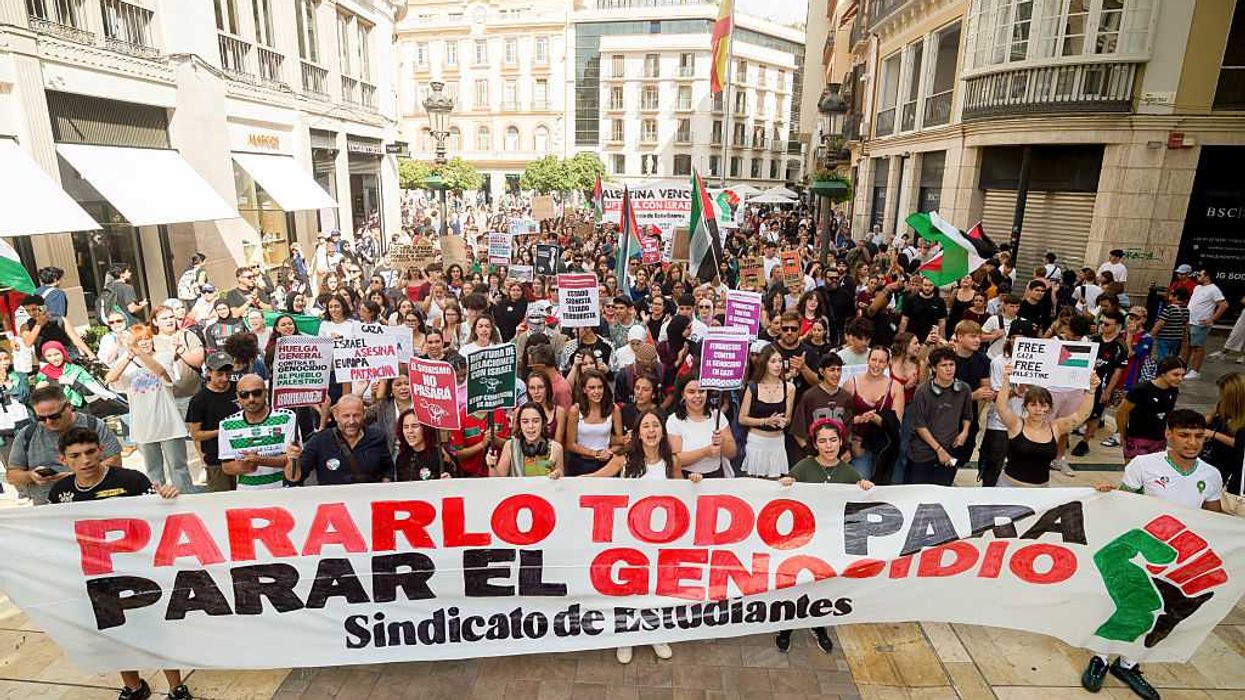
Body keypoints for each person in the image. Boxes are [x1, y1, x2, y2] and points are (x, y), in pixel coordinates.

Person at [1083, 410, 1222, 700]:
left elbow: (1215, 520)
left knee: (1166, 615)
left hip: (1180, 558)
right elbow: (1125, 501)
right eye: (1184, 434)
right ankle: (1100, 658)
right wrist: (1107, 494)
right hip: (1142, 553)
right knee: (1125, 608)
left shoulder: (1211, 475)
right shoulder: (1144, 464)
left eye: (1198, 436)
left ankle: (1130, 664)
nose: (1192, 442)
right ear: (1168, 434)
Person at [47, 426, 192, 700]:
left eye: (90, 452)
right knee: (116, 631)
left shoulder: (131, 480)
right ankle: (134, 687)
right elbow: (54, 532)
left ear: (101, 450)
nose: (85, 460)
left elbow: (159, 515)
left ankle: (176, 687)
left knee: (157, 631)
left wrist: (168, 498)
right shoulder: (60, 492)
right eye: (75, 455)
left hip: (139, 572)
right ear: (63, 459)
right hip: (96, 576)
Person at [570, 408, 697, 664]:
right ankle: (625, 635)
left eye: (655, 426)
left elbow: (683, 494)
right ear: (638, 433)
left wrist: (694, 481)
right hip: (628, 535)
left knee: (655, 585)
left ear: (662, 430)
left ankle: (654, 632)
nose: (651, 431)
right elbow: (595, 479)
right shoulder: (624, 460)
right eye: (646, 426)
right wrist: (561, 481)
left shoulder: (672, 461)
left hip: (661, 538)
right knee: (627, 585)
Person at [776, 418, 872, 652]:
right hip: (802, 539)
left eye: (832, 440)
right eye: (822, 441)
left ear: (841, 442)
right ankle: (786, 626)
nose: (828, 446)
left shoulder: (850, 474)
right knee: (796, 581)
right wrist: (785, 483)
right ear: (815, 444)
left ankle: (818, 625)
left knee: (823, 585)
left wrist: (866, 489)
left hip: (830, 542)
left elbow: (859, 504)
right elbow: (780, 496)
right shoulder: (804, 467)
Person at [103, 325, 194, 494]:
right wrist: (127, 356)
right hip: (143, 425)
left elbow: (161, 371)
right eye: (139, 340)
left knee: (178, 467)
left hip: (169, 423)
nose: (144, 343)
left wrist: (139, 353)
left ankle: (186, 500)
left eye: (147, 338)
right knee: (153, 471)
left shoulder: (164, 356)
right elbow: (110, 378)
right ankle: (158, 502)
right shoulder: (127, 363)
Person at [6, 384, 122, 505]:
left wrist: (77, 476)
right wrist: (31, 476)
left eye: (54, 416)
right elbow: (12, 476)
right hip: (48, 506)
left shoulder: (93, 426)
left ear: (69, 407)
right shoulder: (27, 434)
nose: (48, 422)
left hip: (93, 501)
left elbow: (115, 461)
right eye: (41, 418)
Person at [993, 364, 1098, 487]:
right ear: (1026, 406)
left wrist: (1091, 391)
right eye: (1033, 405)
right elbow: (1001, 408)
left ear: (1049, 408)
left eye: (1043, 405)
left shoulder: (1056, 427)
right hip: (1009, 487)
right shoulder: (1016, 424)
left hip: (1041, 490)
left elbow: (1081, 415)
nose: (1038, 410)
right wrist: (1006, 381)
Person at [906, 346, 973, 486]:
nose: (949, 369)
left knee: (944, 491)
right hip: (923, 453)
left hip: (950, 450)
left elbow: (967, 415)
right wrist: (939, 449)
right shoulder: (922, 392)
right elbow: (919, 425)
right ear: (934, 368)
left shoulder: (964, 389)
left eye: (952, 365)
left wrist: (965, 432)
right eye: (944, 365)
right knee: (920, 493)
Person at [221, 375, 300, 490]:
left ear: (265, 392)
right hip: (246, 493)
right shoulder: (227, 424)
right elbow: (226, 466)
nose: (251, 399)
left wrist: (259, 460)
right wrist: (245, 466)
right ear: (238, 396)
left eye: (257, 393)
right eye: (244, 394)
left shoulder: (287, 417)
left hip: (280, 489)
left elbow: (291, 459)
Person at [294, 394, 393, 484]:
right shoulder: (320, 440)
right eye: (346, 416)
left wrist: (384, 488)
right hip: (333, 501)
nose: (351, 421)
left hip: (367, 500)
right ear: (336, 415)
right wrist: (292, 460)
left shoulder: (377, 437)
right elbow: (295, 478)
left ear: (364, 414)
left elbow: (388, 469)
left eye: (356, 415)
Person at [1070, 311, 1129, 457]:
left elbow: (1118, 371)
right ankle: (1065, 435)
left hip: (1102, 385)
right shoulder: (1092, 340)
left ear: (1118, 326)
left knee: (1095, 414)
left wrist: (1108, 391)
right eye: (1101, 323)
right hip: (1083, 383)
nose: (1102, 326)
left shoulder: (1120, 346)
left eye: (1107, 324)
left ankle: (1085, 442)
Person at [845, 346, 904, 480]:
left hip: (884, 447)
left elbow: (897, 423)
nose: (876, 365)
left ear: (888, 364)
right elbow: (843, 417)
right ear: (868, 360)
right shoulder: (852, 383)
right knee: (861, 482)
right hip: (859, 445)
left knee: (881, 486)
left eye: (881, 361)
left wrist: (876, 418)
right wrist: (858, 420)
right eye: (874, 360)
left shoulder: (895, 387)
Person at [185, 352, 238, 493]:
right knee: (221, 502)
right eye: (219, 374)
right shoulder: (199, 400)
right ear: (208, 372)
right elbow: (196, 434)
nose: (225, 378)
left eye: (228, 374)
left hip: (243, 456)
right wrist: (222, 431)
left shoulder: (239, 389)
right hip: (216, 460)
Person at [739, 345, 795, 478]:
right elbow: (742, 418)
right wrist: (766, 421)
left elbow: (788, 418)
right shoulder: (753, 387)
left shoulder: (789, 388)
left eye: (780, 361)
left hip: (778, 443)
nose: (778, 365)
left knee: (776, 484)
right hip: (757, 442)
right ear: (765, 363)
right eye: (773, 361)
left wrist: (783, 421)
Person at [1115, 356, 1186, 460]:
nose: (1180, 379)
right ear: (1162, 373)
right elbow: (1121, 412)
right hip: (1138, 438)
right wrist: (1123, 434)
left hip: (1159, 440)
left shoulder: (1173, 390)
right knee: (1136, 473)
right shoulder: (1141, 389)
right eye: (1176, 375)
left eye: (1183, 375)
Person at [667, 379, 736, 479]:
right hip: (685, 479)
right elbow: (675, 460)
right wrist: (705, 452)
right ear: (683, 394)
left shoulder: (717, 416)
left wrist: (723, 442)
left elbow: (732, 453)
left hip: (716, 477)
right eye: (691, 392)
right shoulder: (674, 421)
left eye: (701, 391)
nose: (697, 396)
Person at [791, 353, 854, 454]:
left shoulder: (846, 397)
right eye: (832, 370)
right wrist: (809, 451)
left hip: (839, 453)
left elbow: (849, 428)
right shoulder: (809, 396)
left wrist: (847, 449)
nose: (836, 374)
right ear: (821, 371)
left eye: (839, 370)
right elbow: (798, 431)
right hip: (816, 453)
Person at [564, 369, 623, 476]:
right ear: (584, 390)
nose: (597, 391)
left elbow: (620, 441)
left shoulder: (614, 409)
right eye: (592, 388)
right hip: (579, 463)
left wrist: (609, 452)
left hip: (606, 463)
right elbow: (570, 444)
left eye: (600, 387)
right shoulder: (575, 411)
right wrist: (594, 453)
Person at [488, 402, 564, 477]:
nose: (530, 426)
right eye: (525, 422)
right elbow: (498, 480)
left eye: (536, 421)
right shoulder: (510, 446)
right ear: (519, 424)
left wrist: (558, 474)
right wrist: (492, 466)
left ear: (543, 422)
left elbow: (562, 481)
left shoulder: (556, 448)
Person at [34, 340, 117, 408]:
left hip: (78, 409)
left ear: (63, 353)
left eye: (57, 354)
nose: (54, 358)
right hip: (56, 413)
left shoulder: (75, 369)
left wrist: (73, 382)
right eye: (49, 356)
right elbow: (40, 397)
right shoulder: (43, 374)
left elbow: (90, 391)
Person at [1203, 372, 1245, 496]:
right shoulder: (1223, 405)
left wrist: (1213, 434)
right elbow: (1209, 421)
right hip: (1215, 456)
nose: (1221, 397)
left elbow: (1238, 444)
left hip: (1231, 463)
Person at [19, 294, 92, 360]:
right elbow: (28, 343)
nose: (31, 313)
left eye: (34, 309)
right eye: (28, 310)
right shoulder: (26, 326)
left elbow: (75, 339)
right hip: (46, 361)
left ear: (43, 307)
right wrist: (39, 325)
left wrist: (90, 354)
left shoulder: (60, 319)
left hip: (68, 357)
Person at [1185, 269, 1228, 380]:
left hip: (1200, 323)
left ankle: (1195, 371)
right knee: (1187, 346)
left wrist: (1212, 319)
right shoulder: (1197, 287)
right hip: (1190, 321)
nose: (1197, 276)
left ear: (1207, 276)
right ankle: (1184, 367)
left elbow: (1224, 305)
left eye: (1200, 275)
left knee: (1198, 348)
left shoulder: (1214, 289)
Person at [394, 408, 448, 481]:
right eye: (406, 427)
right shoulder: (401, 458)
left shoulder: (439, 455)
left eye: (415, 426)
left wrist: (448, 482)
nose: (410, 431)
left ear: (425, 428)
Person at [899, 276, 947, 341]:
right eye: (925, 285)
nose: (927, 288)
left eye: (930, 285)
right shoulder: (911, 299)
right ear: (921, 285)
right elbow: (904, 320)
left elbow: (942, 323)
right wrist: (901, 337)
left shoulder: (940, 301)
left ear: (934, 286)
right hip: (913, 338)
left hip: (931, 338)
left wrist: (941, 339)